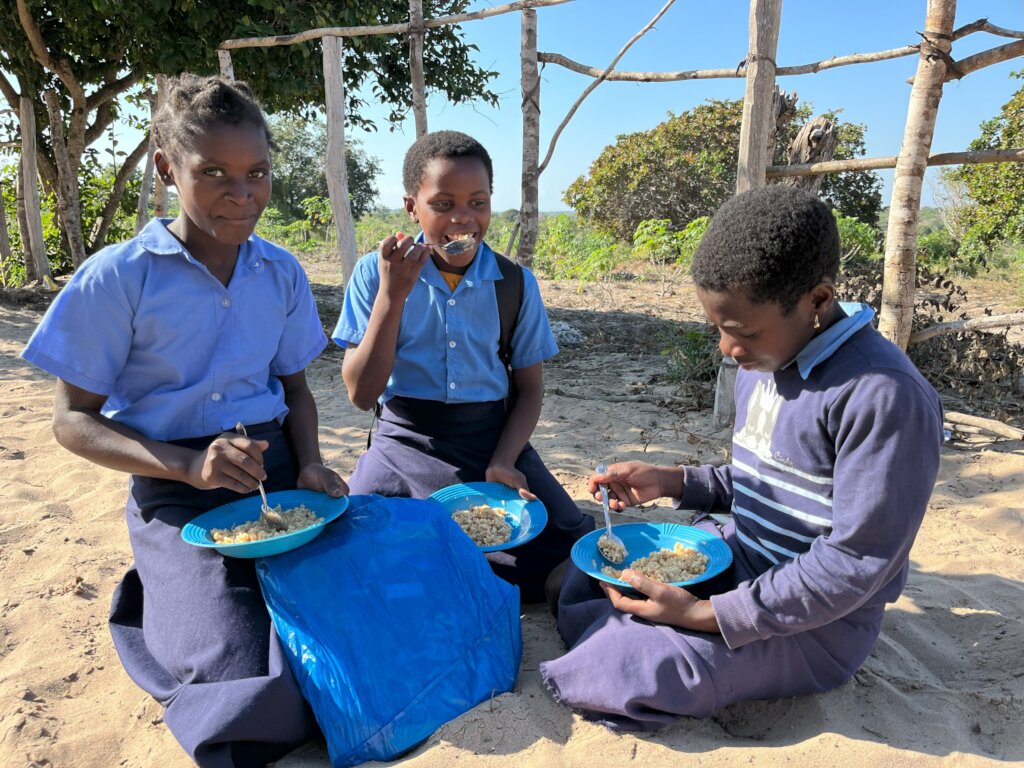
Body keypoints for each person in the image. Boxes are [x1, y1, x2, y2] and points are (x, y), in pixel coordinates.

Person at [21, 74, 347, 767]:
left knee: (367, 621)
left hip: (280, 479)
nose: (242, 193)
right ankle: (165, 592)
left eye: (256, 172)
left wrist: (311, 460)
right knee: (236, 674)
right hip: (174, 491)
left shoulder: (280, 273)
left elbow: (296, 389)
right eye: (215, 173)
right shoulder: (117, 278)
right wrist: (185, 466)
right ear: (168, 168)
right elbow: (71, 422)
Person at [539, 186, 944, 729]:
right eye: (717, 329)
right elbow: (765, 481)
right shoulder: (770, 359)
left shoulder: (883, 396)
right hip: (739, 559)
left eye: (741, 332)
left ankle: (658, 640)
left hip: (816, 626)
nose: (727, 350)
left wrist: (706, 615)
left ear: (817, 301)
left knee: (630, 665)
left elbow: (856, 563)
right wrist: (674, 481)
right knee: (584, 576)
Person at [334, 130, 593, 602]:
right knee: (355, 545)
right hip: (405, 439)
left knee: (566, 544)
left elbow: (530, 390)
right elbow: (360, 395)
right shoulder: (376, 274)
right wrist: (393, 297)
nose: (463, 219)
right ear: (413, 206)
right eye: (443, 204)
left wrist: (504, 460)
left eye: (478, 202)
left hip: (492, 437)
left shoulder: (514, 283)